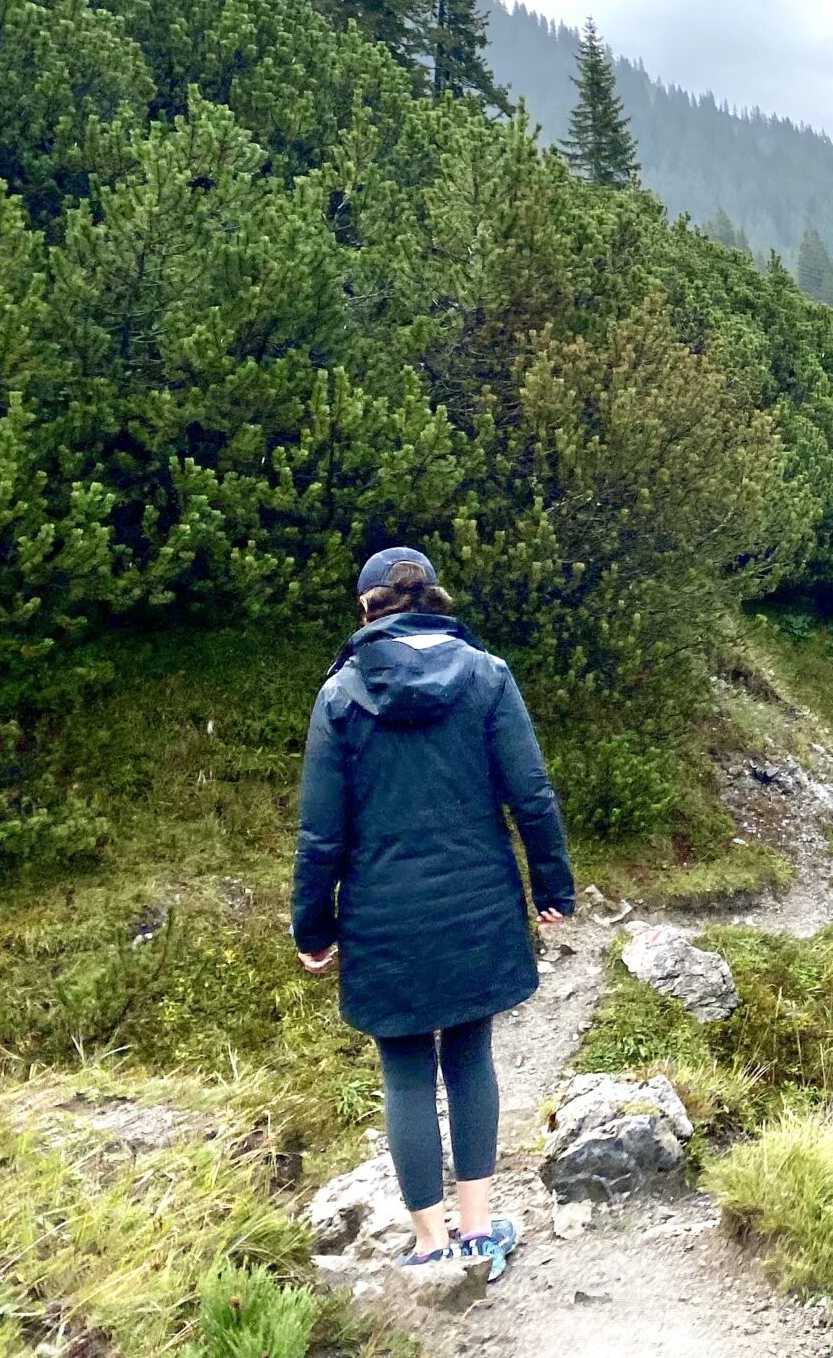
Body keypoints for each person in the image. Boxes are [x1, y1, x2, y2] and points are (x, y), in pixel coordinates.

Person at [292, 547, 575, 1281]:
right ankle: (481, 1233)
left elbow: (321, 833)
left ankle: (428, 1242)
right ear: (433, 600)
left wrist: (312, 927)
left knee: (406, 1067)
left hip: (383, 915)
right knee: (471, 1052)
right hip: (476, 901)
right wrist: (553, 888)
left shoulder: (341, 693)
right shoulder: (488, 676)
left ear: (367, 610)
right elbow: (533, 794)